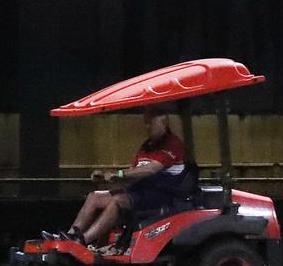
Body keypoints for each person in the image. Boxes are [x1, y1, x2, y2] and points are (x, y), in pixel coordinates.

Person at [46, 105, 188, 251]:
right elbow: (134, 172)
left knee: (117, 201)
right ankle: (71, 236)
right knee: (94, 197)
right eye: (146, 122)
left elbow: (151, 169)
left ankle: (82, 241)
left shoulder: (173, 143)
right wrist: (106, 176)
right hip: (140, 192)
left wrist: (119, 174)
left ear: (163, 123)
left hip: (161, 195)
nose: (147, 127)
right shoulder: (147, 146)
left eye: (150, 123)